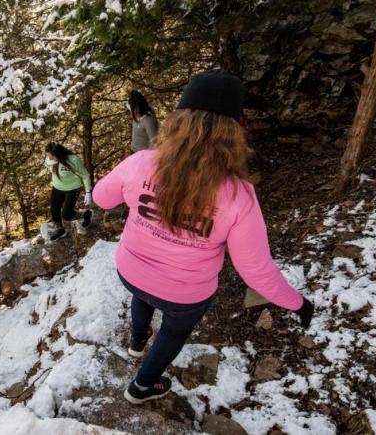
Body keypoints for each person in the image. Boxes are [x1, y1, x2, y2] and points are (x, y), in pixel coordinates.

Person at [93, 69, 314, 404]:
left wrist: (140, 194)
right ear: (236, 130)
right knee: (174, 330)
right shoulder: (239, 195)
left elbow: (100, 198)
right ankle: (143, 385)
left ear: (177, 119)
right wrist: (298, 304)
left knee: (145, 295)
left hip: (132, 272)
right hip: (184, 296)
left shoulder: (141, 163)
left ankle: (137, 342)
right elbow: (255, 271)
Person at [44, 143, 93, 241]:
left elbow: (85, 175)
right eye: (47, 155)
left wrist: (88, 192)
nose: (49, 158)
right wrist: (51, 161)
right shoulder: (49, 160)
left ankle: (86, 214)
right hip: (57, 187)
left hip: (72, 188)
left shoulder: (73, 159)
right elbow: (48, 165)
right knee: (54, 210)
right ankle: (61, 230)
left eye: (51, 156)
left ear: (58, 154)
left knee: (67, 215)